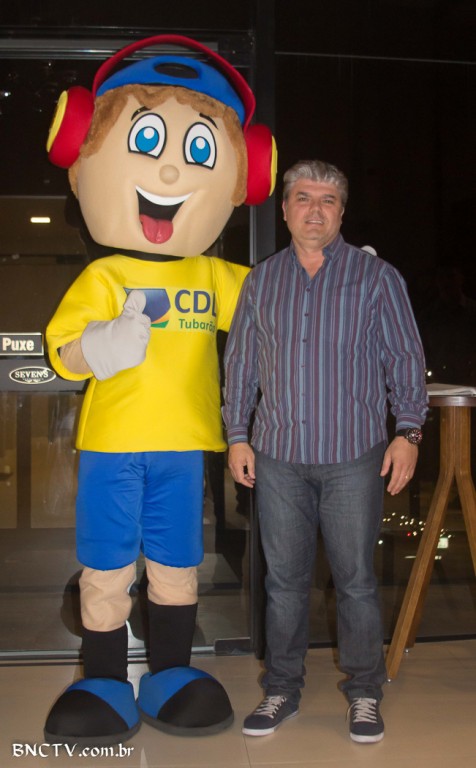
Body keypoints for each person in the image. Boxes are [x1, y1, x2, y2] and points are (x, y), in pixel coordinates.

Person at [44, 35, 276, 746]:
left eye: (199, 151)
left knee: (176, 563)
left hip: (182, 448)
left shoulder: (212, 276)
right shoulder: (104, 277)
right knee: (107, 564)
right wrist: (100, 346)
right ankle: (104, 680)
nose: (171, 168)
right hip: (112, 446)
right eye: (147, 141)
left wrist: (336, 280)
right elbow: (63, 354)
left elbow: (276, 305)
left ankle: (171, 671)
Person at [223, 159, 428, 743]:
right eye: (304, 198)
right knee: (284, 584)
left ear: (341, 212)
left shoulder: (377, 278)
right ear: (285, 209)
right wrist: (237, 435)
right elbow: (240, 366)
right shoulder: (261, 282)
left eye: (328, 200)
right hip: (278, 457)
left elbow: (405, 358)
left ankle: (364, 693)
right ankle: (282, 689)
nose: (315, 209)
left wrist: (409, 432)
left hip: (353, 457)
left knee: (356, 581)